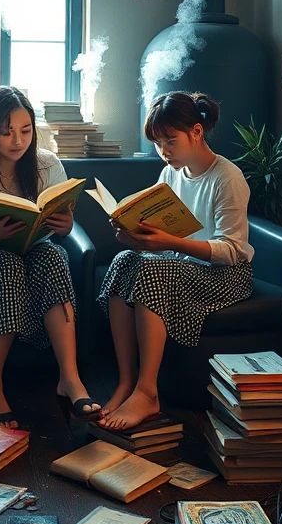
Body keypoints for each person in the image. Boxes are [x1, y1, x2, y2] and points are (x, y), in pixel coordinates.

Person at [97, 91, 254, 430]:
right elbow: (160, 234)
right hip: (180, 264)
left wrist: (169, 244)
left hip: (225, 274)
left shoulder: (227, 177)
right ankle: (127, 381)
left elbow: (233, 250)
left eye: (170, 141)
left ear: (196, 132)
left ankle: (147, 391)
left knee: (152, 269)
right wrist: (134, 237)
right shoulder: (171, 174)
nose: (164, 152)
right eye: (157, 143)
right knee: (124, 259)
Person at [0, 86, 99, 428]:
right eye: (6, 131)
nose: (18, 140)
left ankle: (69, 378)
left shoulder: (47, 163)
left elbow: (63, 230)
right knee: (6, 263)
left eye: (26, 130)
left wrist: (65, 224)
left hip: (33, 251)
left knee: (53, 258)